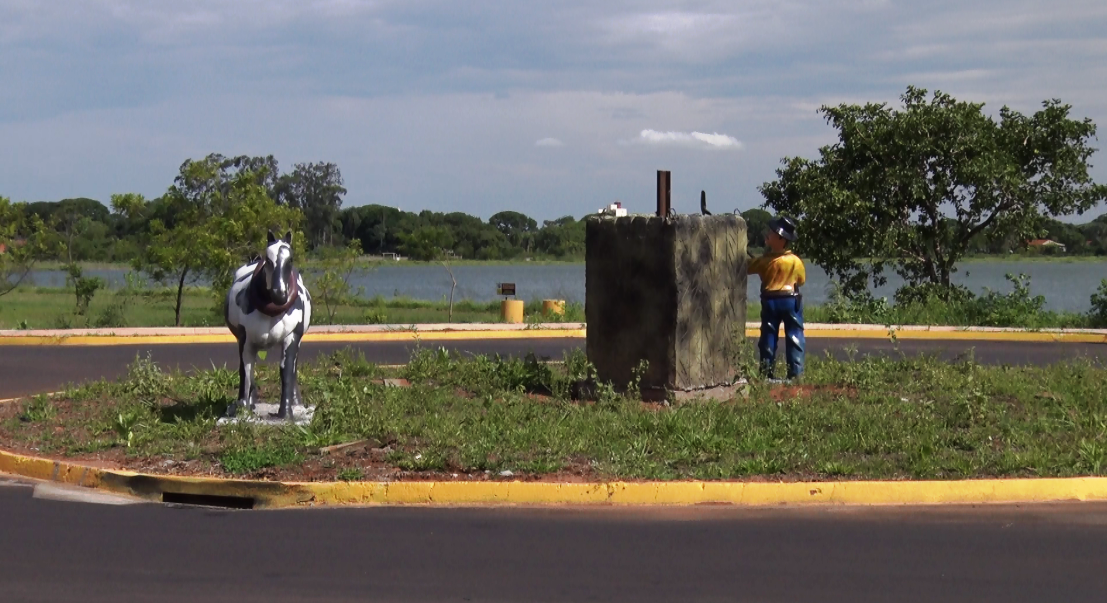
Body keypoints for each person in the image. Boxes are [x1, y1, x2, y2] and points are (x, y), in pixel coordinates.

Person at [748, 216, 805, 381]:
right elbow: (801, 280)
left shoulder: (764, 261)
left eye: (771, 233)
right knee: (794, 335)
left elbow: (747, 267)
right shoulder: (796, 261)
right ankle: (795, 373)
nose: (768, 234)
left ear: (781, 238)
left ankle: (766, 372)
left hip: (770, 300)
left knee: (768, 335)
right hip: (790, 300)